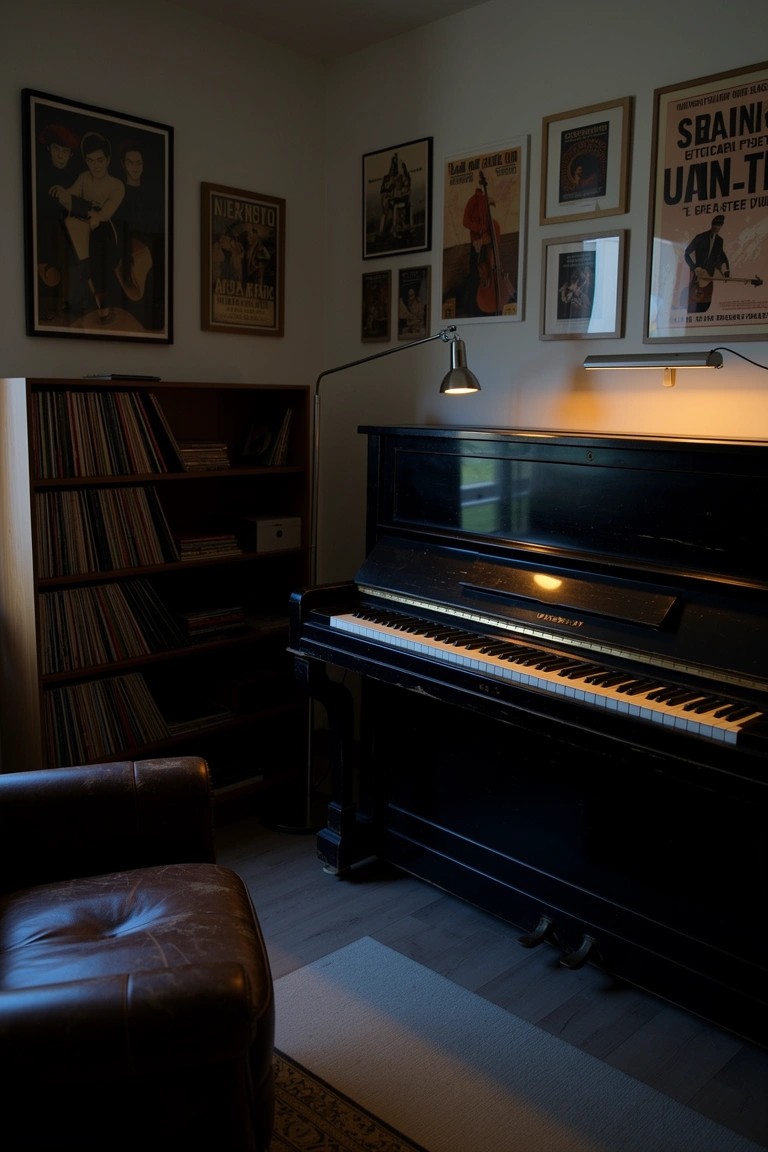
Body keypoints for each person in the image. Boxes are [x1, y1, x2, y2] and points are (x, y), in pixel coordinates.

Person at [49, 131, 125, 320]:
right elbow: (69, 196)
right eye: (91, 161)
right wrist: (62, 193)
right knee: (70, 237)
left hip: (106, 231)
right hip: (83, 226)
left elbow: (104, 215)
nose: (95, 165)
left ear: (108, 160)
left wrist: (88, 212)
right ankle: (77, 299)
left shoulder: (117, 185)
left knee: (95, 247)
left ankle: (102, 303)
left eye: (99, 160)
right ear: (85, 161)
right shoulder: (84, 177)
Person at [114, 139, 165, 329]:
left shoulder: (152, 197)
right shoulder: (118, 193)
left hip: (148, 247)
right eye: (130, 162)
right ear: (123, 164)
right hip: (129, 246)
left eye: (139, 163)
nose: (135, 168)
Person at [35, 121, 80, 317]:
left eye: (65, 151)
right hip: (46, 246)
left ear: (70, 154)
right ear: (49, 149)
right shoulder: (37, 178)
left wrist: (69, 200)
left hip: (67, 248)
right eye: (56, 149)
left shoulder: (75, 181)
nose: (60, 155)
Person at [683, 214, 730, 313]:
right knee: (693, 301)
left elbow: (721, 256)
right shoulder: (700, 237)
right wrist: (694, 267)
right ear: (712, 225)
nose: (717, 228)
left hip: (709, 279)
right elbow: (687, 253)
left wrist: (726, 271)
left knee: (706, 303)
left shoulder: (719, 241)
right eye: (716, 225)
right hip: (696, 276)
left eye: (720, 225)